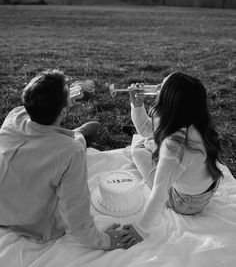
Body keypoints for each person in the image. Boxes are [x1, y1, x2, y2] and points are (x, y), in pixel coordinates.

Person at [0, 69, 133, 250]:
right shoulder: (70, 152)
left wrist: (67, 96)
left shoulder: (14, 116)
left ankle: (76, 134)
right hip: (38, 225)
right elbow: (76, 216)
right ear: (63, 112)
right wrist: (105, 241)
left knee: (77, 136)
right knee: (88, 131)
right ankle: (79, 135)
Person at [123, 71, 224, 244]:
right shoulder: (195, 121)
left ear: (169, 101)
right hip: (208, 188)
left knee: (138, 149)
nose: (156, 88)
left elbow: (160, 192)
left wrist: (139, 230)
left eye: (161, 87)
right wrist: (137, 105)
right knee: (148, 140)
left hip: (186, 202)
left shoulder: (175, 144)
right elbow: (148, 130)